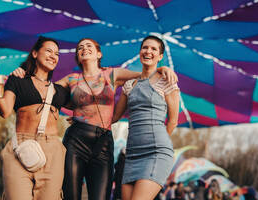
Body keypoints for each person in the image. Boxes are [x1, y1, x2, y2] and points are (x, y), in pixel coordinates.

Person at [11, 37, 177, 200]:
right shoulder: (71, 79)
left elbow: (145, 74)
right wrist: (23, 74)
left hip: (103, 143)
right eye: (80, 47)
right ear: (78, 56)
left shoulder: (113, 74)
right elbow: (43, 89)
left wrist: (164, 70)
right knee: (71, 195)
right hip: (76, 140)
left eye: (89, 46)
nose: (84, 48)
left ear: (99, 54)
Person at [0, 36, 69, 200]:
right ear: (34, 53)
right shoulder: (17, 80)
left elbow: (86, 106)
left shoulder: (60, 90)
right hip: (21, 147)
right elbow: (4, 111)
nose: (53, 56)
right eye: (48, 51)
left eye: (57, 54)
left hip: (52, 150)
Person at [112, 35, 180, 200]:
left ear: (160, 56)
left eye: (153, 49)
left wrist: (158, 142)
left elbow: (172, 121)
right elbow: (114, 117)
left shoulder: (167, 81)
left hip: (156, 152)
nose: (148, 51)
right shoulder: (129, 85)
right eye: (145, 47)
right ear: (140, 51)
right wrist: (84, 116)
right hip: (132, 154)